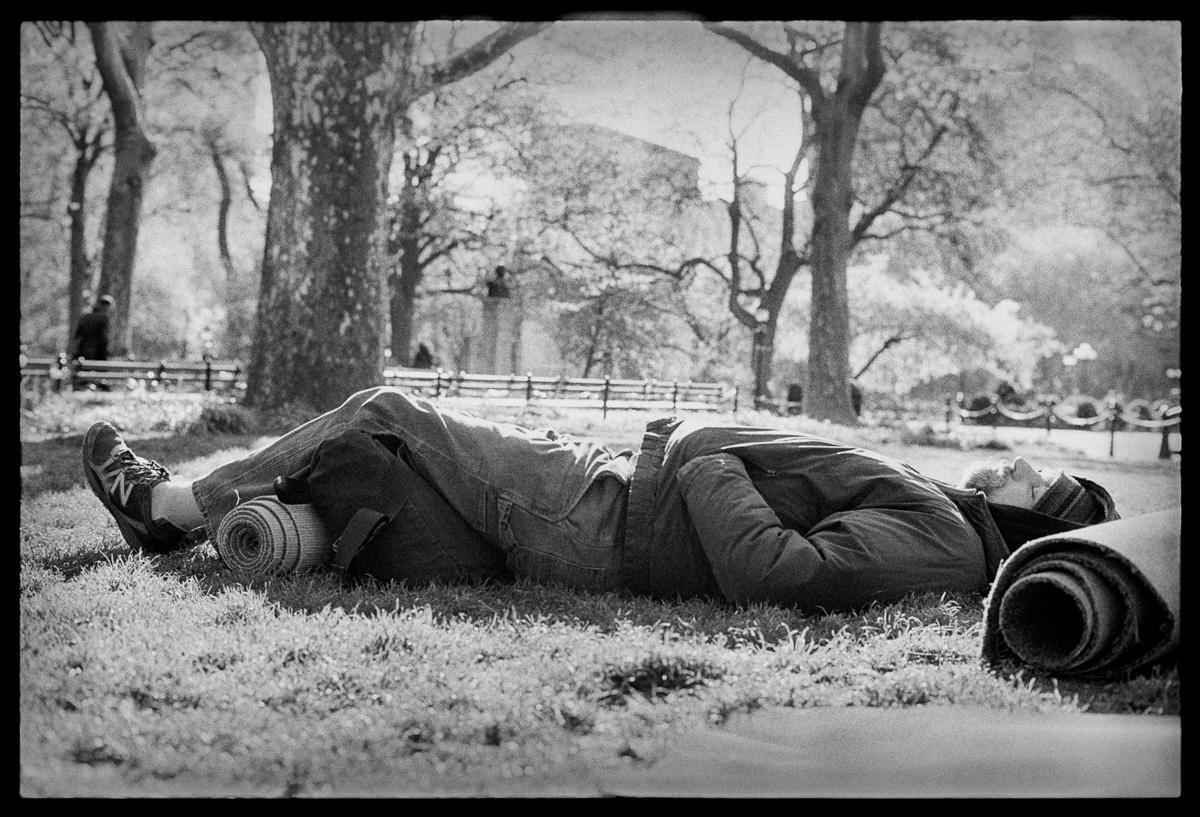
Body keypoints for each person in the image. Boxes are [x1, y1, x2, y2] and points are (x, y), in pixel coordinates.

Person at [81, 386, 1118, 613]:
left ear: (1041, 516)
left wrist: (708, 446)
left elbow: (774, 573)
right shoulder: (946, 519)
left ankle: (170, 506)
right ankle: (237, 521)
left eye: (1031, 476)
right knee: (397, 467)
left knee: (390, 408)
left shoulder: (943, 542)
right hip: (614, 497)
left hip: (602, 518)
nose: (1010, 465)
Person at [70, 295, 115, 362]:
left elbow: (76, 338)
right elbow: (104, 339)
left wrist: (74, 354)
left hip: (82, 356)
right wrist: (107, 354)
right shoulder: (104, 319)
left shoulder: (84, 317)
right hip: (98, 357)